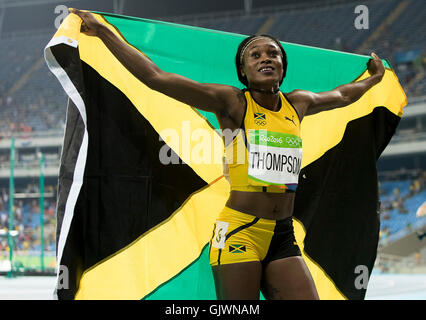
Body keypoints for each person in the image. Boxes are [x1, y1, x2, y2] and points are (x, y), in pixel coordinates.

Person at [70, 8, 385, 300]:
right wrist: (104, 32)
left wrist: (373, 79)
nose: (265, 58)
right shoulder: (232, 102)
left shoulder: (298, 104)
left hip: (283, 235)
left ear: (283, 67)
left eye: (273, 53)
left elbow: (343, 95)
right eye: (255, 55)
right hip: (238, 231)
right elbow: (157, 78)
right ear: (243, 72)